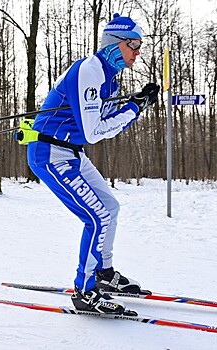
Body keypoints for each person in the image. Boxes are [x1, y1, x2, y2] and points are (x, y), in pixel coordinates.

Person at [23, 13, 159, 315]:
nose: (137, 51)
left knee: (109, 207)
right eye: (133, 44)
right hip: (51, 153)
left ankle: (103, 273)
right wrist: (135, 108)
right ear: (115, 43)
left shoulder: (108, 77)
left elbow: (101, 121)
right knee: (97, 216)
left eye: (139, 45)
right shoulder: (90, 70)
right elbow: (93, 131)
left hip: (71, 152)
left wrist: (133, 103)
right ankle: (84, 291)